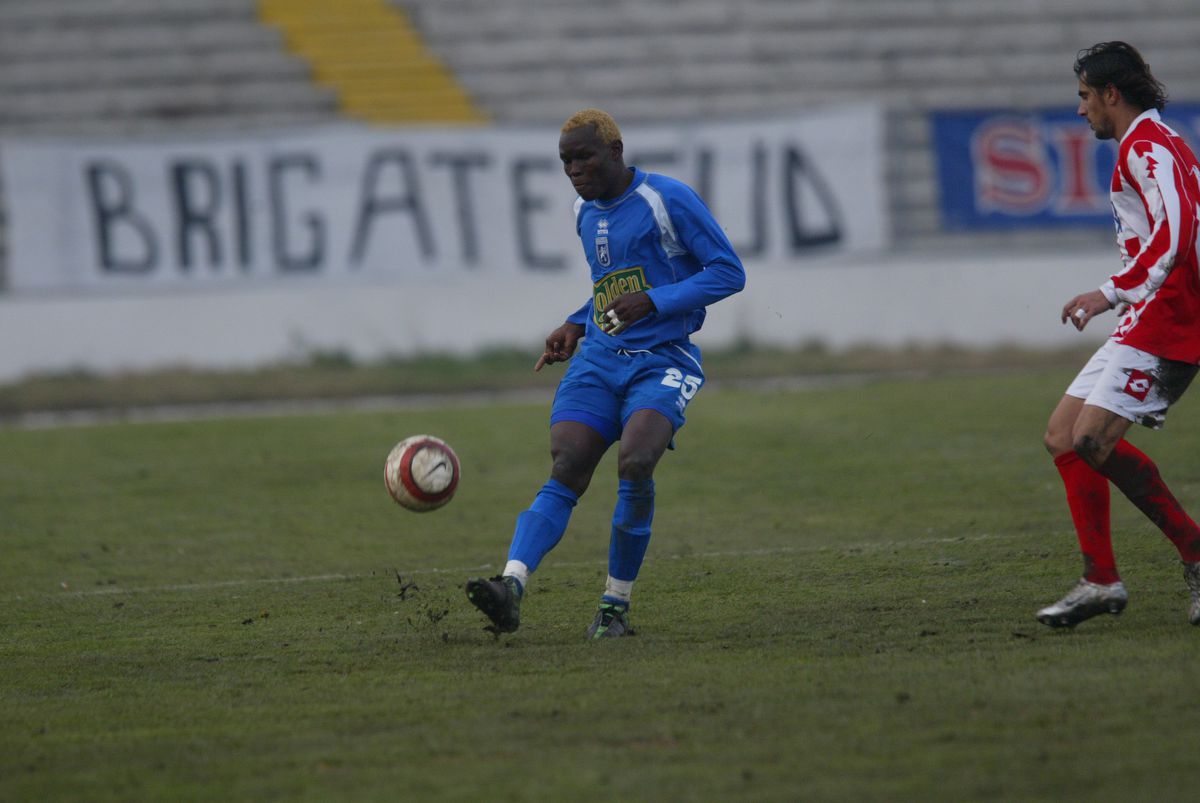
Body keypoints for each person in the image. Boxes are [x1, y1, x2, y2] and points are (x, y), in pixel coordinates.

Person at [466, 108, 745, 639]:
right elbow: (608, 286)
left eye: (584, 156)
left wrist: (655, 301)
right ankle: (510, 585)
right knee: (568, 465)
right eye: (566, 161)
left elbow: (728, 272)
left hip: (663, 358)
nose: (574, 169)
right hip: (599, 359)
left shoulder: (667, 199)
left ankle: (614, 609)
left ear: (616, 152)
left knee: (636, 462)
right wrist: (575, 324)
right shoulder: (583, 211)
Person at [1039, 41, 1200, 628]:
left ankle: (1195, 552)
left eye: (1085, 96)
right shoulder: (1152, 143)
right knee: (1063, 436)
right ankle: (1101, 580)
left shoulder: (1148, 146)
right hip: (1147, 317)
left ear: (1112, 94)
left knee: (1091, 441)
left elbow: (1179, 229)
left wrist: (1109, 292)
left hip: (1170, 321)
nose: (1081, 110)